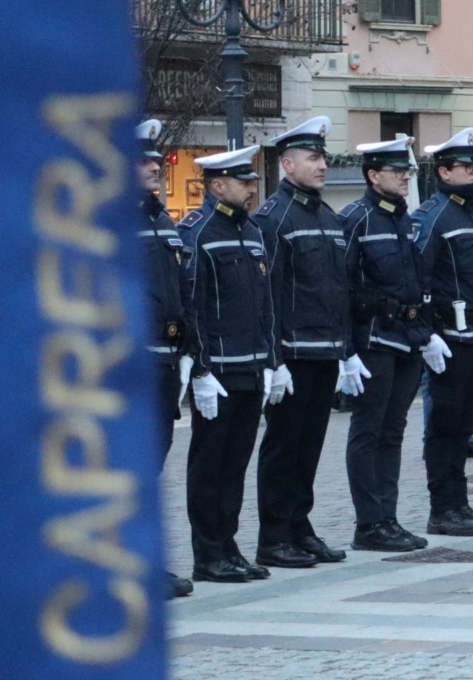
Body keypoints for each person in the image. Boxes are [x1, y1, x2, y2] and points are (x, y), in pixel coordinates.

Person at [253, 116, 352, 569]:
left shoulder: (328, 217)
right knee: (283, 446)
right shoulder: (273, 219)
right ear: (287, 164)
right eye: (313, 158)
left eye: (324, 158)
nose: (322, 166)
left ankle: (299, 525)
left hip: (324, 350)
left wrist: (345, 350)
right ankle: (274, 535)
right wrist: (274, 359)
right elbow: (268, 294)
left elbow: (336, 289)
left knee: (309, 445)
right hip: (292, 354)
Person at [340, 137, 437, 551]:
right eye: (397, 172)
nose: (404, 178)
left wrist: (427, 333)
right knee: (369, 431)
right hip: (374, 341)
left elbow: (417, 283)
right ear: (373, 174)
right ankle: (369, 524)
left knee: (393, 432)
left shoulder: (404, 220)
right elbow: (342, 288)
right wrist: (346, 352)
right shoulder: (356, 219)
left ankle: (388, 518)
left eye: (407, 172)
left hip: (407, 340)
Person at [184, 145, 275, 582]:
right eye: (244, 182)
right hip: (218, 371)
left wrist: (272, 360)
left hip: (251, 366)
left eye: (253, 181)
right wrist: (200, 369)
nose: (252, 188)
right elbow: (193, 306)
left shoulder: (252, 231)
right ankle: (207, 553)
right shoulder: (199, 232)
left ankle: (229, 544)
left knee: (236, 463)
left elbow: (265, 304)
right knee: (210, 466)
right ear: (218, 186)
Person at [413, 128, 473, 536]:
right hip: (450, 338)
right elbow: (418, 277)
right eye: (467, 166)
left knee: (465, 427)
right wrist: (426, 333)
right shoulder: (432, 216)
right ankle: (443, 508)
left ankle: (460, 503)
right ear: (444, 171)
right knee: (445, 427)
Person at [134, 119, 195, 598]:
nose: (156, 167)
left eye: (156, 160)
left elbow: (180, 291)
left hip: (166, 362)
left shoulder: (160, 219)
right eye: (144, 161)